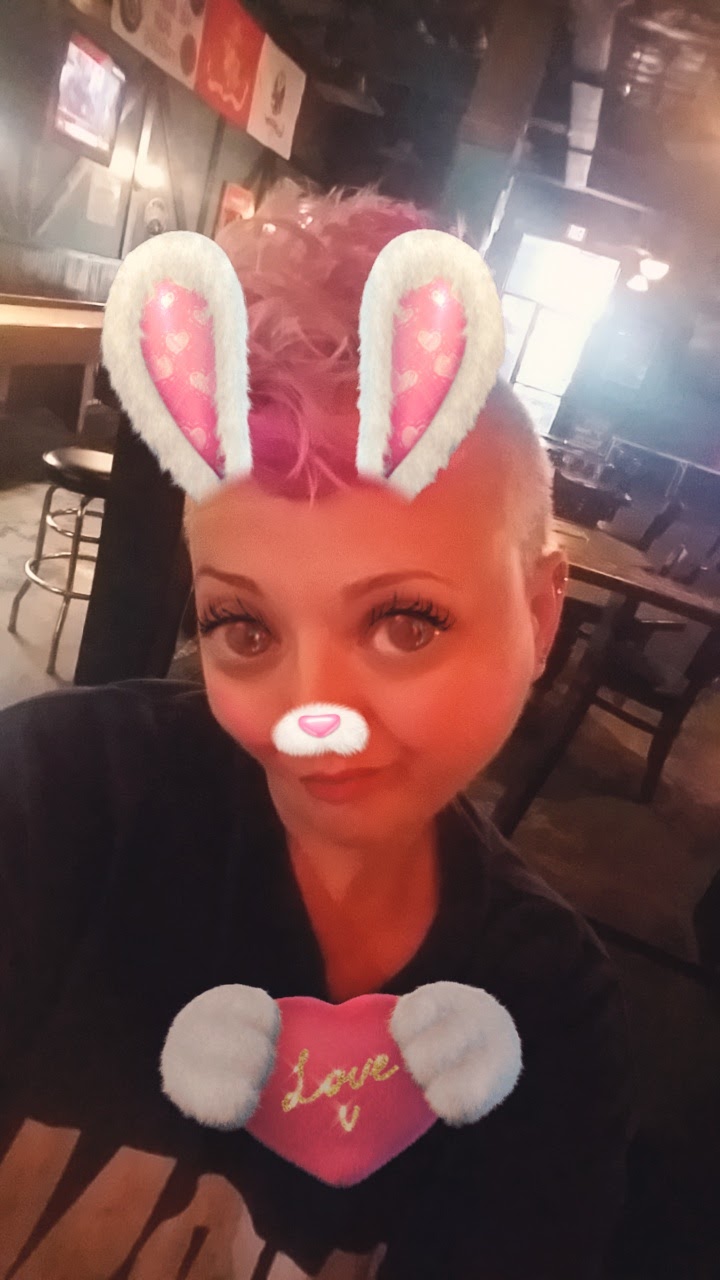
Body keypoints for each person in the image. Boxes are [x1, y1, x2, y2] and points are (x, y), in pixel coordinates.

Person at [0, 190, 634, 1280]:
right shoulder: (54, 798)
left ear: (539, 616)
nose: (311, 719)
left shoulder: (545, 1014)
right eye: (244, 627)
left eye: (405, 622)